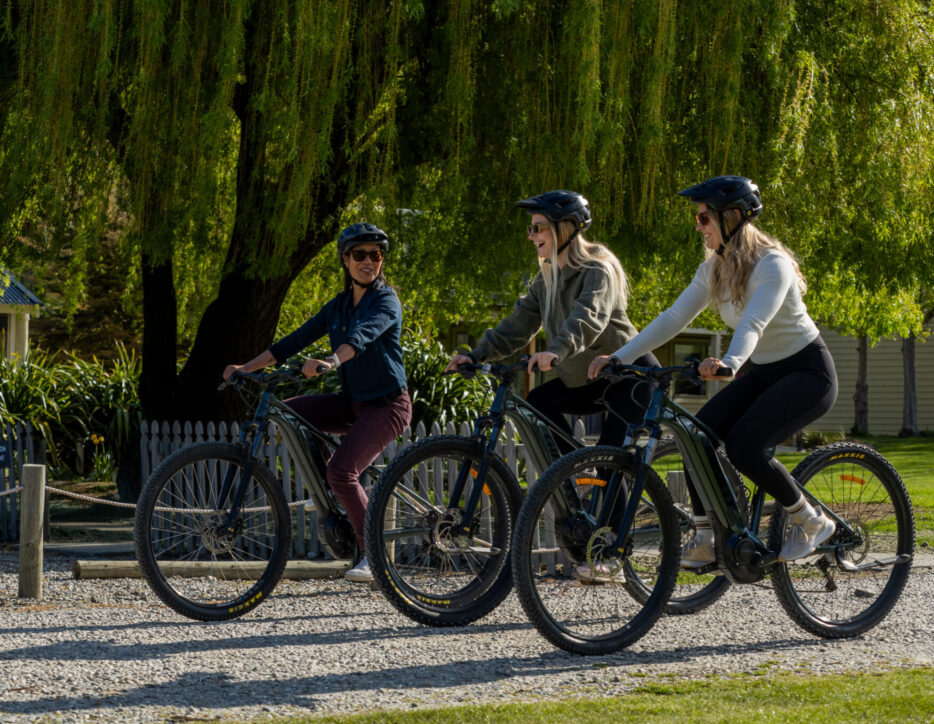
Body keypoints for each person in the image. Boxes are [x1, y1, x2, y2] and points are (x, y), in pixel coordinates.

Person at [589, 176, 839, 564]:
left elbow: (753, 323)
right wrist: (620, 357)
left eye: (704, 217)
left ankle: (809, 520)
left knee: (744, 447)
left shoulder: (772, 264)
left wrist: (730, 363)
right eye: (698, 216)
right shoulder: (714, 269)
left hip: (807, 373)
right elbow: (673, 318)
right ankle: (707, 533)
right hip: (763, 372)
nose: (698, 224)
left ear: (734, 217)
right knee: (696, 436)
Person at [223, 222, 411, 583]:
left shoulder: (386, 301)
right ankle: (330, 492)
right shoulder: (338, 306)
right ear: (345, 260)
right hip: (353, 402)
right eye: (360, 255)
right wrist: (245, 368)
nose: (368, 261)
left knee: (342, 471)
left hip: (388, 407)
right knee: (291, 412)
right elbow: (292, 342)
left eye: (375, 255)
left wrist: (332, 361)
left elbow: (363, 335)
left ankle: (374, 557)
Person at [445, 190, 658, 458]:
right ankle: (574, 468)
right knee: (536, 404)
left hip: (629, 374)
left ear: (565, 228)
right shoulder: (547, 277)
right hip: (589, 379)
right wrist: (475, 355)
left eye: (538, 228)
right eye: (530, 228)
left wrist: (556, 350)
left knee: (609, 461)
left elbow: (587, 317)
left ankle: (591, 470)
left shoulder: (598, 269)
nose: (531, 235)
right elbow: (518, 324)